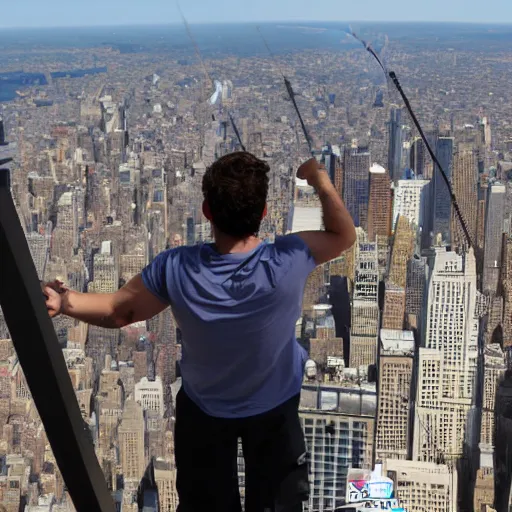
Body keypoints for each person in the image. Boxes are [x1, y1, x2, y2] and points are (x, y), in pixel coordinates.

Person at [44, 152, 356, 512]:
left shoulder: (178, 267)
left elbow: (117, 311)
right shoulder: (289, 258)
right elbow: (343, 233)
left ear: (207, 212)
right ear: (264, 212)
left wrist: (65, 302)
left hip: (205, 414)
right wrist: (318, 178)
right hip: (275, 411)